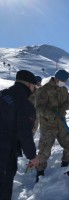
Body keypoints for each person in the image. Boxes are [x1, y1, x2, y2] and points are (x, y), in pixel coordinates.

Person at [0, 70, 39, 200]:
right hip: (4, 155)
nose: (34, 90)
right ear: (29, 85)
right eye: (34, 86)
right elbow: (25, 134)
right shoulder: (25, 105)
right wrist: (33, 156)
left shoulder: (2, 94)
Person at [35, 69, 69, 183]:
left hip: (62, 122)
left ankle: (65, 169)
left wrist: (64, 107)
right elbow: (39, 107)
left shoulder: (64, 89)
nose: (64, 82)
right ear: (56, 78)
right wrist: (53, 114)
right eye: (63, 80)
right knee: (44, 150)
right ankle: (40, 175)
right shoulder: (44, 90)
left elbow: (68, 102)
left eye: (66, 81)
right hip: (48, 124)